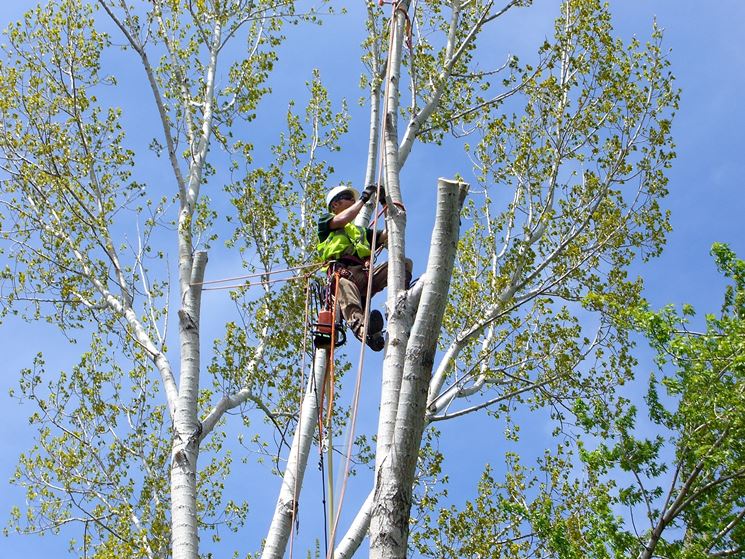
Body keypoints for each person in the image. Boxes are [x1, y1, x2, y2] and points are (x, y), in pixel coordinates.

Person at [317, 184, 412, 352]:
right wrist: (363, 199)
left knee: (404, 264)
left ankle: (404, 303)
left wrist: (385, 204)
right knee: (345, 290)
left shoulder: (360, 232)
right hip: (342, 274)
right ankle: (365, 331)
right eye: (347, 197)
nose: (352, 200)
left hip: (364, 274)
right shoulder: (325, 222)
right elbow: (342, 220)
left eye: (353, 198)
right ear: (335, 205)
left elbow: (385, 236)